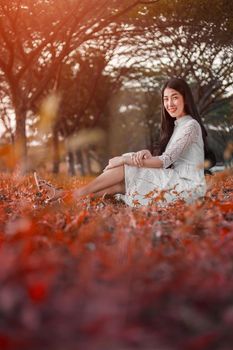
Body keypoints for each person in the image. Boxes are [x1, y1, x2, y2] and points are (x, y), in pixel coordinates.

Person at [35, 77, 215, 207]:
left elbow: (165, 161)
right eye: (166, 99)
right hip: (177, 180)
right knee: (120, 185)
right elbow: (167, 158)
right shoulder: (177, 125)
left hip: (188, 187)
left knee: (127, 165)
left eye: (175, 97)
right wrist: (147, 153)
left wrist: (123, 160)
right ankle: (65, 199)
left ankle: (69, 195)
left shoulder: (190, 125)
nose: (170, 104)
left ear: (185, 98)